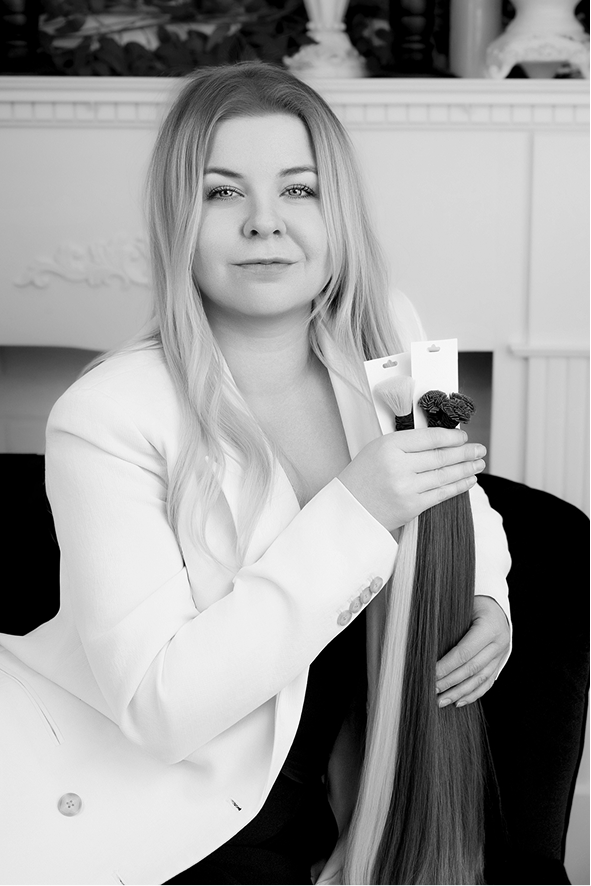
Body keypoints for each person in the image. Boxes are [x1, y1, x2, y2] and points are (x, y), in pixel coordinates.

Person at [0, 62, 512, 886]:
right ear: (178, 218)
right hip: (145, 805)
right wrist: (355, 508)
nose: (264, 225)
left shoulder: (379, 331)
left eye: (299, 191)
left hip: (331, 792)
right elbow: (161, 711)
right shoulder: (106, 415)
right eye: (222, 192)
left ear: (335, 209)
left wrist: (486, 591)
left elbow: (455, 484)